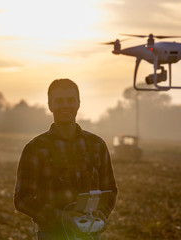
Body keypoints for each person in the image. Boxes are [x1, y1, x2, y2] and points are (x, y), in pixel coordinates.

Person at [14, 79, 118, 240]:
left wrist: (102, 215)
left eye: (70, 100)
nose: (65, 106)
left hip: (90, 235)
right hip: (52, 235)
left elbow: (110, 190)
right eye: (59, 101)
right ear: (50, 105)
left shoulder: (97, 145)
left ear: (78, 103)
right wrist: (61, 217)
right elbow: (22, 199)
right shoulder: (35, 148)